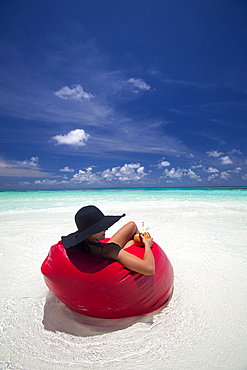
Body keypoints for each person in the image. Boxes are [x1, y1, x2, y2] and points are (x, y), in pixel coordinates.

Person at [62, 205, 155, 275]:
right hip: (108, 252)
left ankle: (139, 237)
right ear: (91, 231)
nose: (106, 229)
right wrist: (147, 244)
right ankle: (141, 240)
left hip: (99, 249)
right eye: (101, 227)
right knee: (131, 241)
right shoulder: (111, 250)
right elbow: (149, 269)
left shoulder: (81, 245)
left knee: (132, 225)